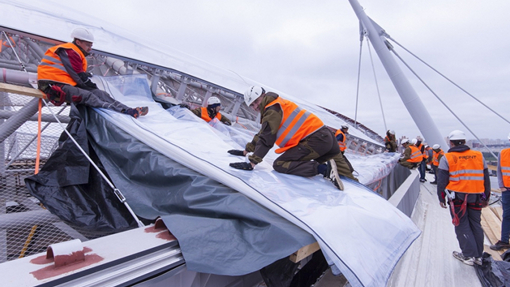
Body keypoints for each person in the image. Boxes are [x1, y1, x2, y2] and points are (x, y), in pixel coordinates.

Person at [227, 86, 357, 190]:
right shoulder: (278, 103)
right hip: (325, 135)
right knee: (349, 180)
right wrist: (247, 150)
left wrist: (252, 162)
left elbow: (267, 138)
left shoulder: (271, 110)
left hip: (315, 141)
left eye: (256, 102)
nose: (255, 107)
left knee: (280, 164)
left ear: (263, 96)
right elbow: (263, 133)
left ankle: (324, 169)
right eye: (252, 105)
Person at [37, 27, 148, 118]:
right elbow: (78, 76)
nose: (90, 48)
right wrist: (91, 85)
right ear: (78, 42)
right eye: (88, 45)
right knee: (88, 95)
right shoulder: (70, 51)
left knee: (101, 94)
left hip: (63, 83)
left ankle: (128, 109)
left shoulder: (74, 52)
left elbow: (76, 73)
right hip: (51, 85)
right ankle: (123, 112)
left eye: (91, 45)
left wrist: (90, 83)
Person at [437, 130, 490, 266]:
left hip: (458, 198)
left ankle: (468, 255)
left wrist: (441, 198)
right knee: (476, 225)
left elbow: (442, 181)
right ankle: (478, 256)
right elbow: (486, 179)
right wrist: (486, 197)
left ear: (451, 143)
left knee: (461, 225)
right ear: (465, 142)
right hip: (477, 197)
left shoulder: (447, 158)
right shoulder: (479, 156)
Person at [490, 132, 510, 251]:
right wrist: (501, 186)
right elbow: (499, 171)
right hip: (507, 190)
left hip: (506, 190)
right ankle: (504, 241)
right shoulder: (503, 153)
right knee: (507, 215)